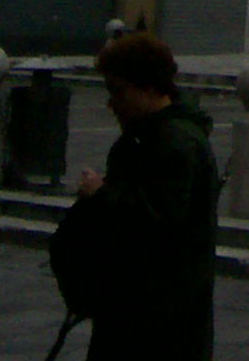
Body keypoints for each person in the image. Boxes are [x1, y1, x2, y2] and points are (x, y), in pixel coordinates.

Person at [53, 31, 218, 360]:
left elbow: (158, 221)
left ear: (149, 87)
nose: (112, 103)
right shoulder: (151, 135)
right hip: (138, 308)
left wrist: (100, 194)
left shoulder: (174, 143)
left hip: (158, 319)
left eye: (119, 92)